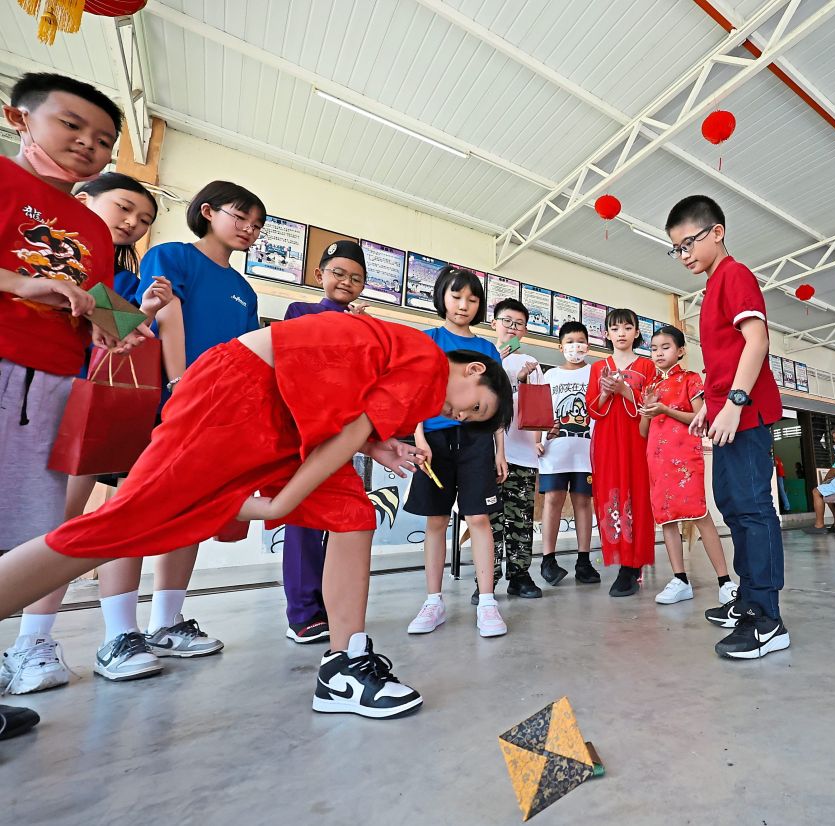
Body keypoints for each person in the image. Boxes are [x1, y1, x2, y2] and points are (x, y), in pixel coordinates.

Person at [0, 311, 511, 719]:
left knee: (353, 515)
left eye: (470, 420)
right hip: (244, 390)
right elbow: (349, 432)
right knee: (122, 525)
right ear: (475, 370)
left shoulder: (411, 367)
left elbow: (353, 420)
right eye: (475, 408)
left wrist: (383, 449)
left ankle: (345, 665)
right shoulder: (427, 363)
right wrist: (283, 505)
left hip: (284, 411)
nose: (460, 416)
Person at [0, 74, 162, 699]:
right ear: (21, 120)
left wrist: (135, 318)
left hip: (51, 387)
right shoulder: (6, 181)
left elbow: (99, 315)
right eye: (71, 125)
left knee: (20, 530)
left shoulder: (91, 230)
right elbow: (35, 284)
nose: (86, 144)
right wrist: (19, 286)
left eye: (103, 139)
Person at [89, 179, 265, 666]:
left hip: (215, 413)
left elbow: (247, 354)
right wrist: (180, 382)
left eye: (256, 226)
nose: (248, 229)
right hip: (163, 401)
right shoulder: (172, 256)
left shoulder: (245, 290)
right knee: (131, 510)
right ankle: (118, 634)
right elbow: (163, 314)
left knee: (189, 513)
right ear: (207, 211)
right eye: (240, 217)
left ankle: (167, 621)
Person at [666, 195, 789, 659]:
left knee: (754, 510)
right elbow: (726, 356)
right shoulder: (712, 284)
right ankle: (748, 597)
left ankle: (767, 617)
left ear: (717, 232)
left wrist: (735, 402)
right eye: (676, 248)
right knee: (733, 506)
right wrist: (710, 405)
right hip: (724, 412)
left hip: (747, 414)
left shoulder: (733, 275)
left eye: (690, 242)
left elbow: (757, 340)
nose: (684, 254)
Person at [404, 266, 508, 637]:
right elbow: (414, 393)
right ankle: (433, 601)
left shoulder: (487, 348)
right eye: (456, 296)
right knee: (436, 520)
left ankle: (487, 601)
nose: (464, 305)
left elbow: (495, 404)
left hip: (477, 440)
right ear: (442, 298)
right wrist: (417, 437)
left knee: (479, 519)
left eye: (472, 299)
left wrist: (499, 449)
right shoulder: (426, 339)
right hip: (432, 440)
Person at [280, 240, 370, 644]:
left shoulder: (366, 324)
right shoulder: (300, 312)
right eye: (338, 273)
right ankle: (302, 612)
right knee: (302, 521)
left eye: (356, 277)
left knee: (343, 522)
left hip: (345, 435)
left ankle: (331, 607)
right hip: (304, 432)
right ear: (319, 275)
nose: (346, 282)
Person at [638, 326, 735, 605]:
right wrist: (647, 408)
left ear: (680, 351)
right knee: (667, 520)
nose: (658, 352)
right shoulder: (650, 386)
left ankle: (725, 581)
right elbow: (644, 431)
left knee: (699, 514)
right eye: (654, 348)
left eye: (665, 347)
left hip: (684, 459)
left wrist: (665, 409)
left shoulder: (691, 380)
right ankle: (680, 579)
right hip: (656, 460)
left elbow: (698, 417)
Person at [586, 308, 657, 597]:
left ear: (637, 332)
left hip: (637, 438)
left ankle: (633, 564)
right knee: (612, 494)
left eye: (628, 328)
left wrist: (626, 391)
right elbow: (592, 408)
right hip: (607, 440)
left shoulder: (648, 366)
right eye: (615, 329)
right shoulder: (597, 367)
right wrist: (605, 393)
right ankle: (621, 561)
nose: (621, 333)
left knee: (638, 496)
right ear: (606, 334)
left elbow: (653, 404)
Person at [487, 298, 543, 600]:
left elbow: (538, 411)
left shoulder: (530, 363)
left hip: (521, 453)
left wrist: (540, 444)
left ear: (525, 330)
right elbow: (478, 401)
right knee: (490, 519)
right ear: (494, 322)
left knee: (521, 518)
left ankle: (520, 576)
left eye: (518, 324)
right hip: (487, 454)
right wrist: (496, 363)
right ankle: (487, 579)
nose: (512, 328)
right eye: (507, 321)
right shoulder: (483, 355)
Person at [537, 321, 599, 586]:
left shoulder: (596, 373)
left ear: (588, 345)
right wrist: (537, 439)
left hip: (587, 450)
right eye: (571, 341)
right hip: (554, 450)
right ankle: (547, 561)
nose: (576, 346)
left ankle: (584, 561)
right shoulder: (550, 376)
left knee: (583, 503)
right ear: (560, 346)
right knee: (552, 500)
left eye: (581, 340)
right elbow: (538, 412)